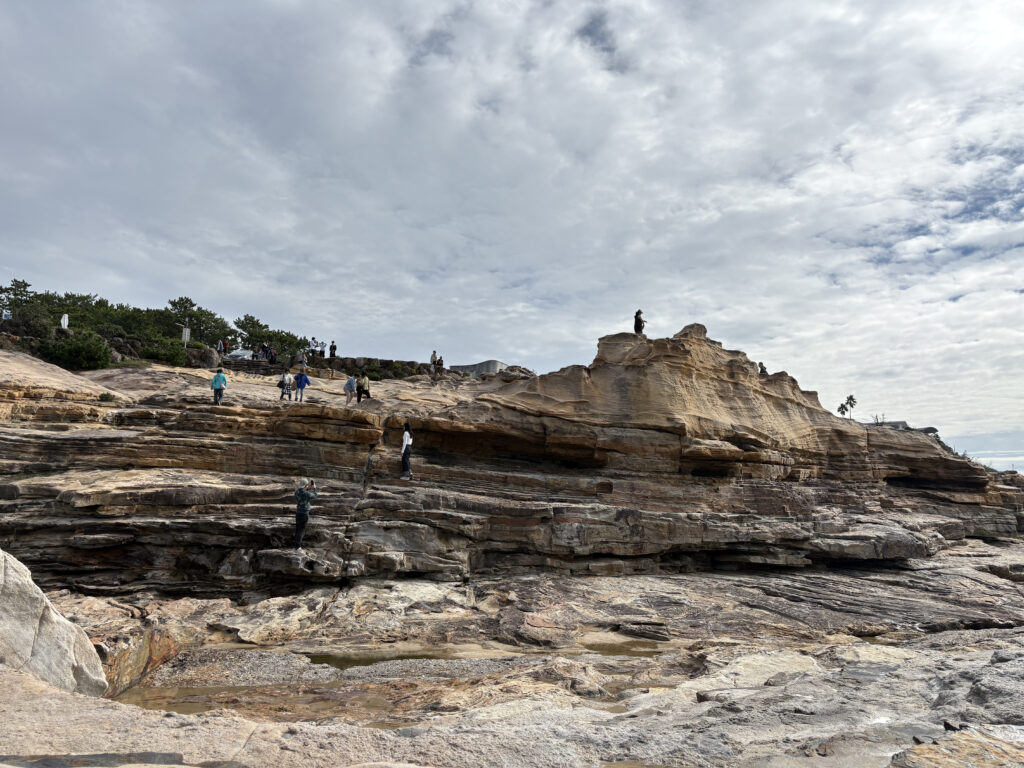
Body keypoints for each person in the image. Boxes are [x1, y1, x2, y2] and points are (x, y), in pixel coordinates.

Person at [293, 478, 318, 549]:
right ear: (306, 486)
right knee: (301, 531)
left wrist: (306, 487)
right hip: (304, 514)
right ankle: (298, 547)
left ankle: (296, 545)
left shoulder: (297, 492)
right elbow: (315, 495)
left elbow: (300, 490)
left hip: (298, 513)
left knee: (298, 530)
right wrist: (315, 488)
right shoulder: (307, 494)